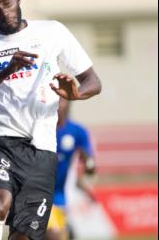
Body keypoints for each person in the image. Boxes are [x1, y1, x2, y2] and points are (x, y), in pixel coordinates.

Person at [0, 0, 102, 240]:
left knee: (25, 234)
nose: (2, 11)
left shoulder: (52, 31)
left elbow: (93, 81)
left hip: (43, 147)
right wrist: (7, 69)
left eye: (6, 3)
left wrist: (76, 94)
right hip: (1, 139)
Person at [45, 98, 97, 240]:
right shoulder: (40, 129)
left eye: (62, 100)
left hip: (60, 196)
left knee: (59, 235)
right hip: (37, 193)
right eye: (55, 99)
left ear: (69, 103)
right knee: (53, 235)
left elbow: (90, 167)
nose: (58, 103)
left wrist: (88, 162)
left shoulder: (77, 131)